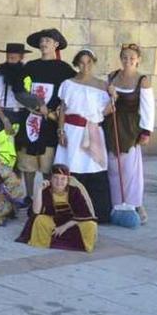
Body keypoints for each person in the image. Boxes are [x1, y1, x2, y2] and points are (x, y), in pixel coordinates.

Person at [55, 50, 113, 223]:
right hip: (72, 131)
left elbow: (107, 111)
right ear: (76, 64)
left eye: (89, 62)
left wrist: (113, 97)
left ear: (93, 63)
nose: (85, 66)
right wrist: (60, 131)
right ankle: (70, 210)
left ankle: (99, 212)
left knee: (94, 169)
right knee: (72, 169)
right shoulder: (68, 84)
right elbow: (63, 109)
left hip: (93, 132)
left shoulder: (103, 85)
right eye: (81, 62)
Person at [18, 28, 75, 200]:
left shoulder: (65, 70)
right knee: (27, 163)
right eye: (42, 41)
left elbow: (73, 91)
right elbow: (19, 89)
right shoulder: (30, 66)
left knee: (47, 165)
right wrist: (35, 104)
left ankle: (47, 199)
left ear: (56, 45)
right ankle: (28, 197)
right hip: (29, 119)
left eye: (48, 41)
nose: (43, 44)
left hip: (51, 123)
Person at [104, 43, 154, 224]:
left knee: (130, 168)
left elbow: (148, 108)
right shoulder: (112, 77)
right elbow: (104, 102)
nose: (128, 60)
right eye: (125, 57)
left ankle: (134, 204)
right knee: (112, 166)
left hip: (130, 127)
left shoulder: (143, 80)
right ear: (120, 58)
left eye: (132, 58)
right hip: (111, 124)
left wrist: (146, 131)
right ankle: (116, 204)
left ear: (138, 60)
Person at [16, 164, 97, 252]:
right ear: (51, 178)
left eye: (63, 179)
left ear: (67, 180)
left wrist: (63, 227)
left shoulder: (74, 191)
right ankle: (47, 242)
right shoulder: (46, 190)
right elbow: (36, 211)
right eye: (56, 178)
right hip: (52, 221)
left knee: (91, 225)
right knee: (39, 220)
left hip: (71, 222)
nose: (59, 182)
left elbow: (83, 213)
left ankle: (81, 245)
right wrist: (39, 190)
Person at [0, 43, 33, 137]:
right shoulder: (0, 74)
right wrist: (4, 119)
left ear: (21, 57)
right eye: (8, 57)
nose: (9, 61)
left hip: (24, 114)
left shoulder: (27, 73)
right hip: (5, 113)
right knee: (4, 149)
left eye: (13, 58)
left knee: (22, 149)